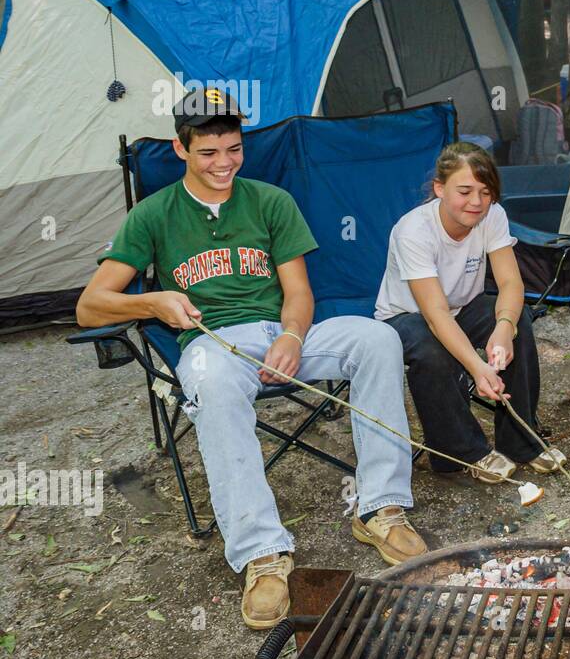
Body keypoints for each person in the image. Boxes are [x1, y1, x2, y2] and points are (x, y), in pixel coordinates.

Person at [76, 88, 427, 631]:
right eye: (208, 153)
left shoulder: (269, 201)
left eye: (233, 149)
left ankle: (381, 508)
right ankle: (262, 553)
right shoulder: (152, 215)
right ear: (180, 149)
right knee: (213, 381)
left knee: (377, 339)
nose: (224, 164)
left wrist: (291, 335)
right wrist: (154, 300)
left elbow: (299, 292)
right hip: (213, 347)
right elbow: (89, 307)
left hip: (282, 332)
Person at [375, 142, 566, 486]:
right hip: (406, 318)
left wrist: (504, 328)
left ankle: (522, 442)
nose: (476, 202)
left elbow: (510, 283)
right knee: (432, 351)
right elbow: (434, 316)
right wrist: (477, 367)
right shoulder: (413, 231)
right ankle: (461, 452)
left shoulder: (492, 215)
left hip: (460, 308)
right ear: (439, 189)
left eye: (486, 191)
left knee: (518, 320)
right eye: (464, 191)